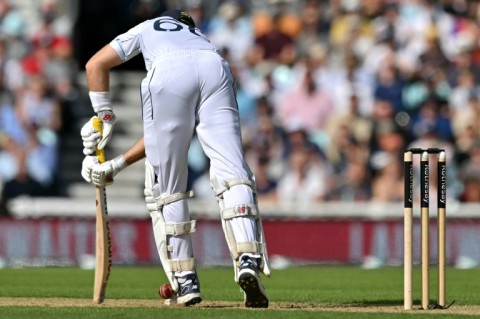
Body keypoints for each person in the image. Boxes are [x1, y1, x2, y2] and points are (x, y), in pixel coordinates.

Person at [79, 9, 271, 308]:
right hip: (216, 68)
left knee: (167, 186)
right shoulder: (200, 38)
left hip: (168, 73)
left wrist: (104, 118)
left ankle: (186, 279)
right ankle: (249, 258)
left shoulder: (146, 28)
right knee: (233, 171)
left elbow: (95, 64)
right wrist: (115, 164)